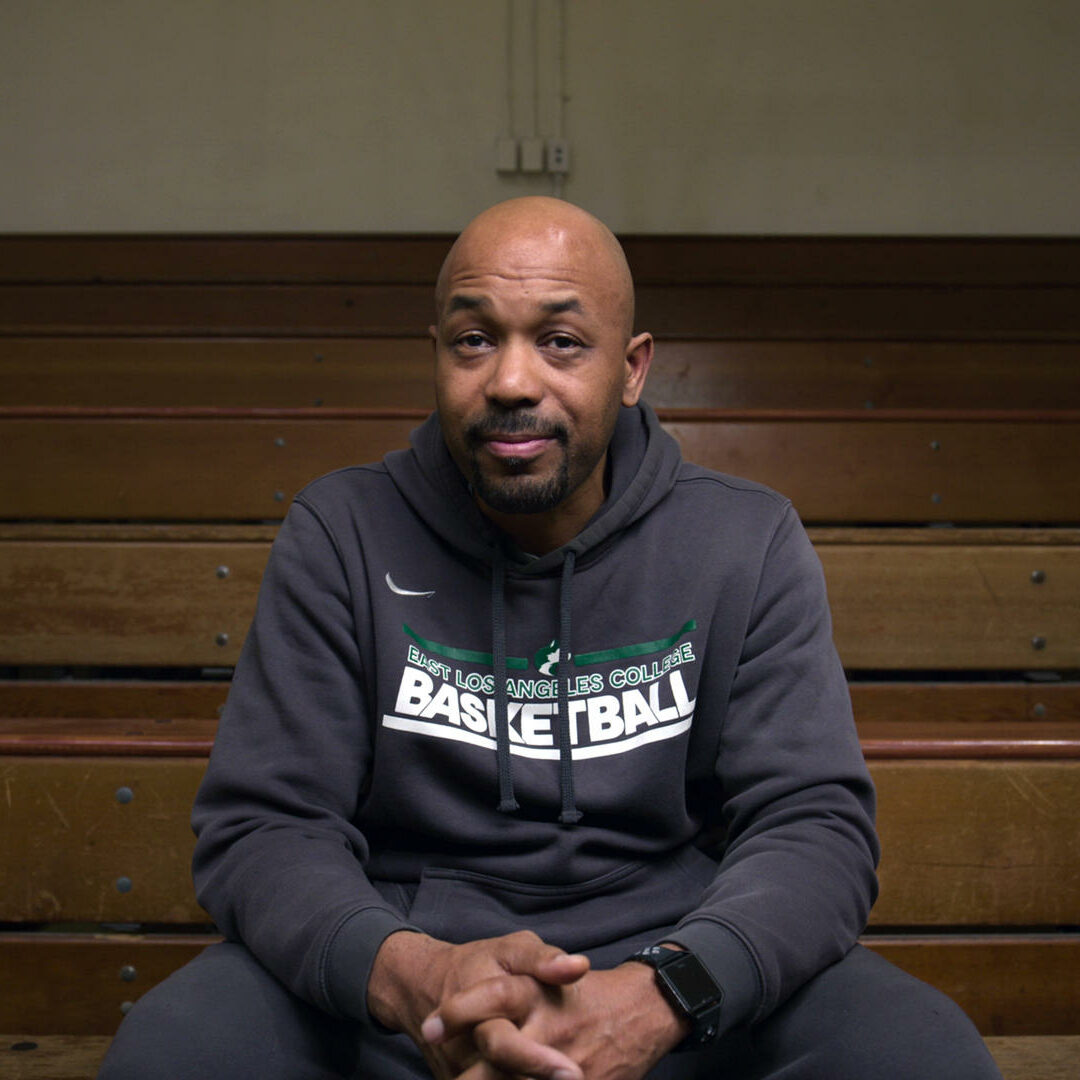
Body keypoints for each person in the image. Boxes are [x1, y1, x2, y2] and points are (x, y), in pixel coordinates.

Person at [99, 197, 1001, 1080]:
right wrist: (417, 979)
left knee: (921, 1054)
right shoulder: (343, 530)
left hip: (677, 977)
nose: (512, 382)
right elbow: (266, 825)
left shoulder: (746, 541)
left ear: (634, 368)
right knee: (174, 1051)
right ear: (438, 355)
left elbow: (814, 826)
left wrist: (664, 994)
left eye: (561, 342)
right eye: (475, 339)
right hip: (409, 977)